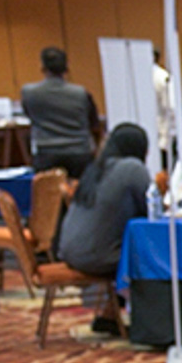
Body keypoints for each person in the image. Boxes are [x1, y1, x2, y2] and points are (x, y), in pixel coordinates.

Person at [56, 122, 150, 333]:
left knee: (128, 249)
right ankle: (149, 322)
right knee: (152, 256)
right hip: (96, 256)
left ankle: (110, 314)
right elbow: (152, 210)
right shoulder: (132, 168)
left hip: (70, 250)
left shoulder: (96, 168)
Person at [22, 47, 100, 179]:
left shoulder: (29, 93)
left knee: (49, 197)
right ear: (67, 66)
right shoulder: (81, 93)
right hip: (80, 153)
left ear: (42, 66)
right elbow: (94, 122)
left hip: (46, 153)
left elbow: (29, 115)